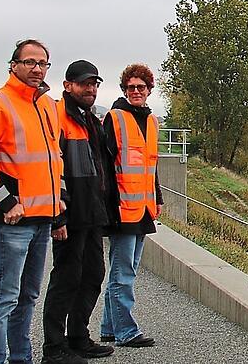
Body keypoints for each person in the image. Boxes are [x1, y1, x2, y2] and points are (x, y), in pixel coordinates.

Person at [0, 39, 65, 364]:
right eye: (29, 62)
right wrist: (5, 202)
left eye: (42, 63)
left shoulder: (48, 106)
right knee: (5, 298)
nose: (37, 68)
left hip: (43, 220)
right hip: (13, 221)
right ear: (14, 65)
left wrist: (59, 213)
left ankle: (22, 357)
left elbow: (54, 160)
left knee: (28, 297)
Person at [41, 61, 114, 364]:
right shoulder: (58, 116)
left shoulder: (89, 119)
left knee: (93, 274)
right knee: (66, 278)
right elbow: (51, 168)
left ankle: (78, 338)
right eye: (85, 84)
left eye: (95, 84)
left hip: (92, 213)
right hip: (70, 214)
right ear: (68, 85)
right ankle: (54, 348)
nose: (91, 89)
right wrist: (58, 215)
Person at [100, 63, 163, 348]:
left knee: (128, 270)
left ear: (149, 90)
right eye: (131, 87)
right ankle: (126, 331)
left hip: (144, 208)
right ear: (125, 89)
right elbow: (105, 165)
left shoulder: (151, 121)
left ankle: (109, 328)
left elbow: (152, 165)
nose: (136, 91)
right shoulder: (114, 118)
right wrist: (108, 205)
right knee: (122, 272)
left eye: (141, 87)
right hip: (122, 208)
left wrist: (158, 198)